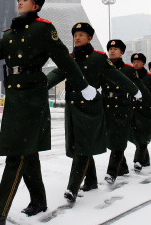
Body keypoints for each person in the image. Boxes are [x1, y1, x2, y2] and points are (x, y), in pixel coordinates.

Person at [0, 0, 96, 225]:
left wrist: (84, 85)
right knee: (27, 151)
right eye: (19, 0)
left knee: (17, 153)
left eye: (26, 0)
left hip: (33, 96)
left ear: (36, 6)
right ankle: (39, 201)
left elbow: (64, 58)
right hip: (14, 96)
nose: (21, 3)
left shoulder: (43, 29)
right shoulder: (10, 33)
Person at [46, 23, 139, 202]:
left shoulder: (99, 58)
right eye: (75, 35)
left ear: (90, 38)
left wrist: (134, 90)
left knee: (83, 146)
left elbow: (116, 76)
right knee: (77, 146)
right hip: (72, 106)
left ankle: (72, 188)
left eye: (81, 35)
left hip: (91, 107)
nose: (77, 38)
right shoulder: (69, 58)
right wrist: (40, 85)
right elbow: (56, 74)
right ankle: (91, 180)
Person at [101, 39, 145, 184]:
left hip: (123, 107)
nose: (112, 51)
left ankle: (111, 172)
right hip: (107, 106)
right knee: (112, 139)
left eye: (116, 48)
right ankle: (123, 167)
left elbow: (139, 88)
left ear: (122, 52)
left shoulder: (129, 70)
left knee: (119, 139)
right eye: (110, 48)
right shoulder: (103, 67)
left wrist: (150, 103)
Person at [127, 53, 151, 172]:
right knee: (135, 137)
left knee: (143, 137)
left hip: (145, 111)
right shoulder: (129, 75)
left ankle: (138, 160)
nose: (136, 64)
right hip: (132, 110)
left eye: (138, 62)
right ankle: (145, 160)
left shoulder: (150, 78)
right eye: (134, 62)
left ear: (143, 63)